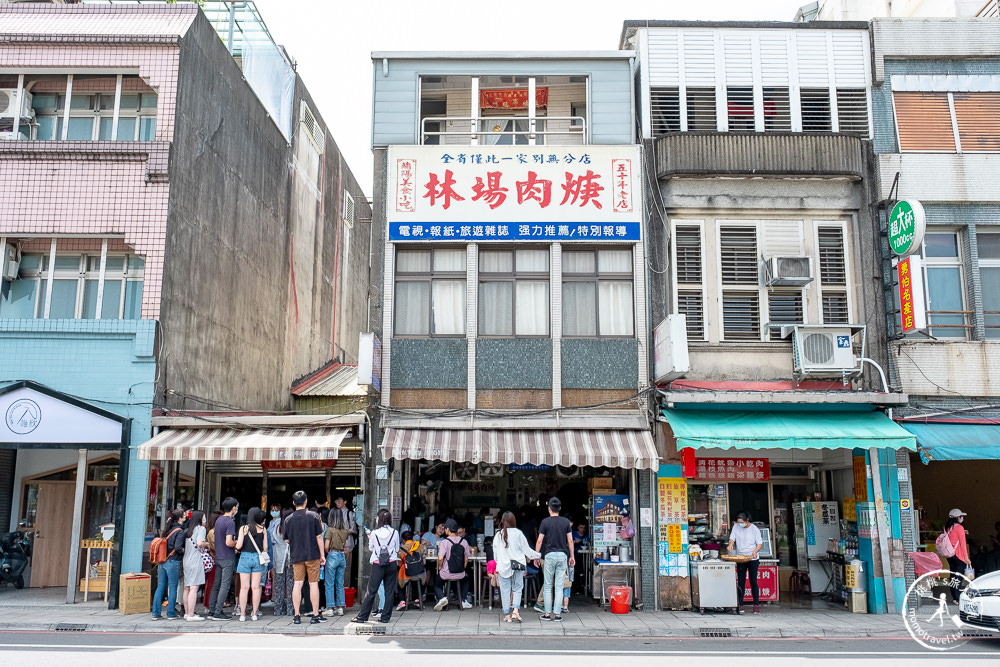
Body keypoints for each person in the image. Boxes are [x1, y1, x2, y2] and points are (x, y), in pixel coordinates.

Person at [282, 490, 327, 624]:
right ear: (306, 501)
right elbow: (319, 536)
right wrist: (322, 555)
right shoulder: (313, 516)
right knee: (314, 584)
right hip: (312, 555)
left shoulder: (288, 519)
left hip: (296, 556)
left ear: (294, 503)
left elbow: (286, 540)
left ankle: (296, 616)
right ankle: (314, 615)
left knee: (298, 583)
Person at [351, 509, 401, 624]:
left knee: (371, 591)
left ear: (379, 519)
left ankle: (363, 616)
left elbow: (371, 548)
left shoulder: (374, 533)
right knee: (389, 591)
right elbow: (397, 548)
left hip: (378, 564)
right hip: (392, 563)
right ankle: (385, 617)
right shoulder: (395, 532)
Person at [492, 511, 540, 623]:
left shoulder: (498, 535)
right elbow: (527, 551)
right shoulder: (518, 534)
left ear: (502, 521)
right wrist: (539, 555)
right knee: (517, 589)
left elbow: (495, 555)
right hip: (518, 564)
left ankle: (507, 615)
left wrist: (498, 562)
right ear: (514, 521)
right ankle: (515, 611)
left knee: (505, 590)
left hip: (503, 565)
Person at [535, 497, 573, 621]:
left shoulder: (545, 522)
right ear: (560, 508)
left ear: (549, 508)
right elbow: (570, 540)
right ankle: (557, 615)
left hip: (549, 556)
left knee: (547, 585)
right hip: (562, 556)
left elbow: (540, 540)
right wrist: (572, 556)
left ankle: (547, 614)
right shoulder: (566, 522)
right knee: (559, 585)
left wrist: (536, 555)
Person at [234, 507, 268, 622]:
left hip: (245, 557)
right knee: (256, 587)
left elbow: (238, 546)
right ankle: (254, 613)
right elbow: (265, 548)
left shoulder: (243, 528)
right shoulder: (263, 529)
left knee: (244, 587)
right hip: (258, 559)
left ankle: (242, 614)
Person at [151, 509, 186, 620]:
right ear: (180, 518)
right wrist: (184, 550)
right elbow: (178, 548)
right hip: (173, 561)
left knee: (160, 586)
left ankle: (155, 613)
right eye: (184, 515)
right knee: (173, 587)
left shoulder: (167, 529)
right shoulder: (180, 531)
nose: (185, 516)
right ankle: (171, 613)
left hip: (162, 561)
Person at [208, 497, 239, 620]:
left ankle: (211, 610)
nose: (237, 509)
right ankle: (218, 612)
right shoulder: (230, 522)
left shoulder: (219, 520)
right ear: (233, 508)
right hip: (227, 557)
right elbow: (229, 542)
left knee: (216, 584)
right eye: (236, 506)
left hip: (218, 556)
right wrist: (237, 542)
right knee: (225, 585)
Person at [727, 511, 763, 615]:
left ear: (747, 520)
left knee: (753, 582)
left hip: (752, 558)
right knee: (741, 582)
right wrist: (730, 545)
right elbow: (732, 538)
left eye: (741, 522)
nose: (740, 524)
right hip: (741, 558)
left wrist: (755, 552)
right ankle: (741, 605)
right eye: (738, 522)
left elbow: (759, 544)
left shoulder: (754, 529)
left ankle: (756, 605)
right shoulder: (736, 527)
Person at [433, 519, 473, 611]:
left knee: (437, 583)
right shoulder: (464, 541)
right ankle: (463, 600)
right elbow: (466, 558)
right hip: (460, 574)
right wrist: (462, 569)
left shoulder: (444, 542)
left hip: (446, 573)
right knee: (466, 580)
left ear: (447, 529)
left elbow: (440, 558)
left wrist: (440, 567)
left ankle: (441, 598)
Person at [182, 510, 209, 621]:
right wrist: (207, 543)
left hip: (186, 560)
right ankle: (191, 615)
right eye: (204, 516)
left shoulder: (188, 530)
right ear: (200, 518)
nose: (204, 518)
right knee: (194, 588)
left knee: (187, 588)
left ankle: (187, 612)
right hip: (195, 560)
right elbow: (199, 543)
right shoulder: (201, 529)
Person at [324, 504, 351, 616]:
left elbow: (326, 546)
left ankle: (330, 608)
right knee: (340, 583)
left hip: (332, 555)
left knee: (329, 583)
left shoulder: (330, 530)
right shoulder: (345, 531)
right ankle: (340, 607)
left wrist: (327, 554)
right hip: (342, 557)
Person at [270, 507, 295, 616]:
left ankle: (278, 610)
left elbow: (273, 541)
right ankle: (290, 609)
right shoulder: (294, 529)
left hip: (279, 559)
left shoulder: (277, 529)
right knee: (291, 586)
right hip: (291, 559)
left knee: (278, 585)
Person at [944, 508, 971, 603]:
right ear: (958, 517)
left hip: (950, 555)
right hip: (958, 556)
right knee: (958, 578)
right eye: (961, 516)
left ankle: (954, 598)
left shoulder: (948, 527)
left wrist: (963, 532)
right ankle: (958, 598)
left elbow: (953, 537)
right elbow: (963, 544)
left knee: (953, 576)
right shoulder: (959, 527)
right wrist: (966, 557)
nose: (962, 518)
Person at [395, 530, 427, 611]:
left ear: (403, 540)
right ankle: (417, 600)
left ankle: (402, 601)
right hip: (420, 574)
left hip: (407, 575)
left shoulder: (401, 549)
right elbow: (424, 561)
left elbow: (399, 564)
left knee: (399, 579)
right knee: (423, 578)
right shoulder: (419, 546)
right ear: (412, 538)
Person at [332, 495, 357, 591]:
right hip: (335, 545)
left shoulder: (349, 514)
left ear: (345, 502)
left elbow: (353, 529)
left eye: (339, 500)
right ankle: (337, 590)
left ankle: (345, 589)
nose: (337, 502)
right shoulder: (334, 513)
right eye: (336, 500)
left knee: (346, 569)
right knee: (335, 569)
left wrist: (342, 532)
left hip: (347, 545)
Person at [202, 511, 221, 612]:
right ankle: (209, 604)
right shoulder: (212, 532)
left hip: (215, 559)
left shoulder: (212, 531)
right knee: (212, 583)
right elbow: (215, 547)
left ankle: (210, 604)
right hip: (213, 560)